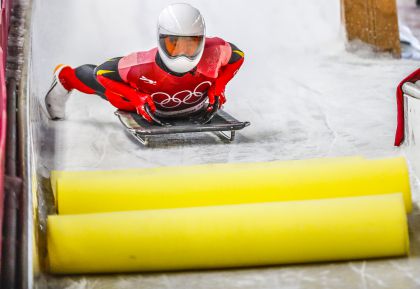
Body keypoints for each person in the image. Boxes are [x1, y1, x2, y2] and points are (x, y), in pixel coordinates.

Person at [44, 3, 245, 123]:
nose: (182, 54)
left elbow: (238, 56)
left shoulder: (215, 51)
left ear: (201, 40)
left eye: (190, 44)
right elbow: (102, 73)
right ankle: (66, 77)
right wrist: (135, 96)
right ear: (161, 40)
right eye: (175, 45)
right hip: (139, 103)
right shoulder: (140, 65)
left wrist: (219, 86)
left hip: (188, 103)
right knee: (99, 84)